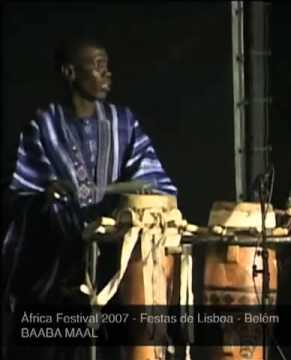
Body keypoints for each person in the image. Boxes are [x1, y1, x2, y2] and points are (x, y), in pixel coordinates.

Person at [2, 36, 177, 359]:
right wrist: (48, 198)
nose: (107, 74)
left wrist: (111, 198)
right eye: (98, 66)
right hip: (55, 265)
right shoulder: (44, 125)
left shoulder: (123, 123)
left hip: (113, 262)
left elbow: (155, 184)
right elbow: (23, 193)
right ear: (70, 73)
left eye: (107, 66)